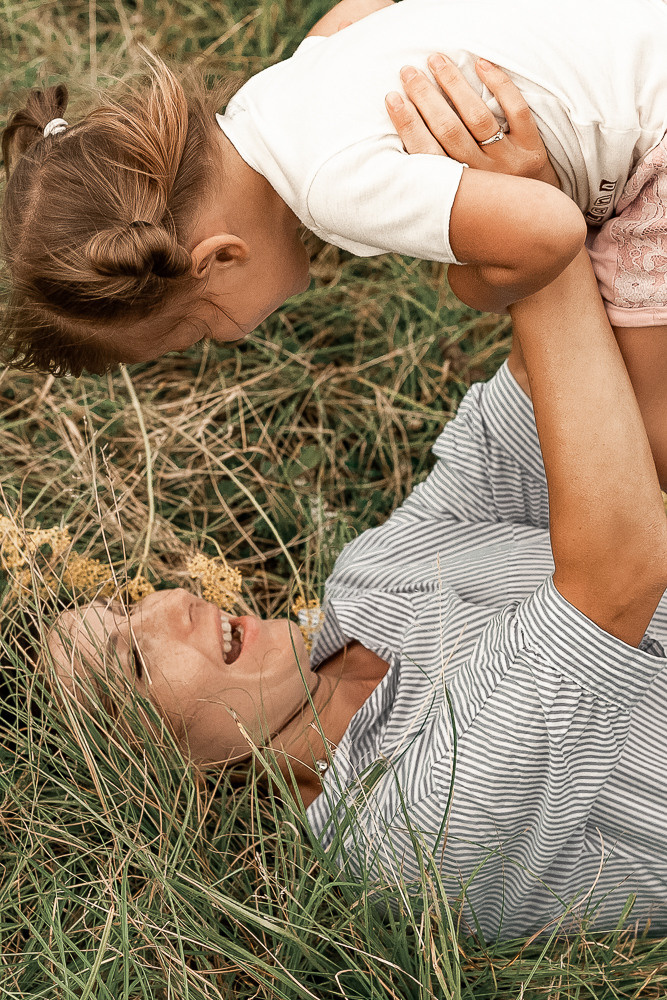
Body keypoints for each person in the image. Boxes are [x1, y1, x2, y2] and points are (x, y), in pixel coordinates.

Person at [47, 73, 667, 941]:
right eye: (135, 662)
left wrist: (525, 182)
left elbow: (537, 406)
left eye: (128, 602)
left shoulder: (369, 581)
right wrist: (536, 233)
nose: (170, 606)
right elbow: (617, 578)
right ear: (171, 774)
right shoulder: (396, 834)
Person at [3, 0, 667, 481]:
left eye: (200, 329)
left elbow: (547, 228)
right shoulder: (276, 94)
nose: (231, 339)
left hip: (652, 136)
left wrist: (475, 284)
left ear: (218, 258)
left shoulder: (328, 188)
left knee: (647, 435)